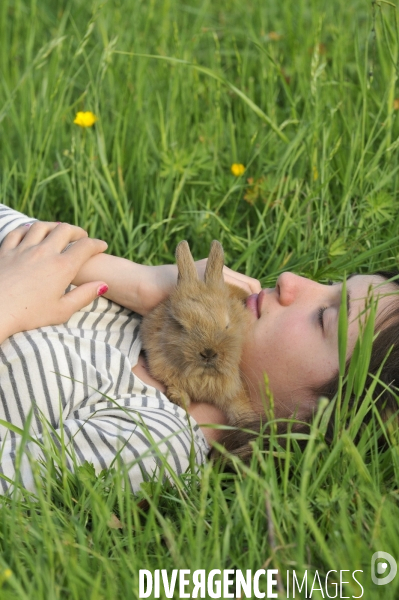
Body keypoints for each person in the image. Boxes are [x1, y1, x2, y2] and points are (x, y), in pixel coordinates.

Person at [0, 204, 398, 494]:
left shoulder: (154, 442)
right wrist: (135, 279)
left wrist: (9, 303)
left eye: (323, 317)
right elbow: (21, 244)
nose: (292, 280)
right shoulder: (152, 315)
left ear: (316, 419)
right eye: (332, 285)